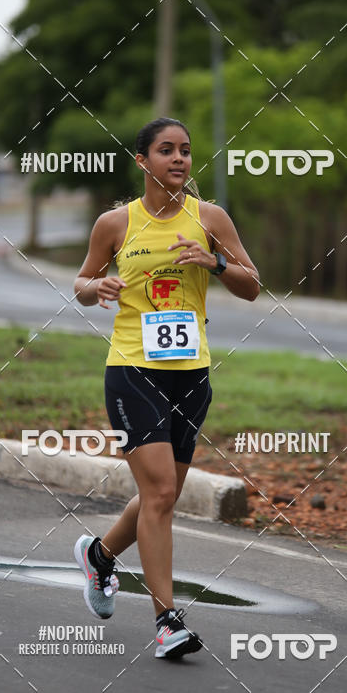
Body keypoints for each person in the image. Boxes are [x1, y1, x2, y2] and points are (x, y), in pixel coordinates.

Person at [73, 117, 259, 659]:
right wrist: (97, 286)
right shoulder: (115, 223)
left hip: (191, 374)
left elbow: (252, 286)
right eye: (166, 150)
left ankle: (101, 556)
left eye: (185, 150)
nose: (179, 159)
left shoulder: (210, 218)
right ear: (142, 160)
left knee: (164, 494)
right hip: (133, 369)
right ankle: (166, 622)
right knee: (158, 494)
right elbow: (81, 283)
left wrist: (215, 261)